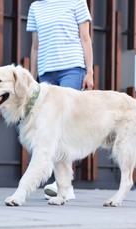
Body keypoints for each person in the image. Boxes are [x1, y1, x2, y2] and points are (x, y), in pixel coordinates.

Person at [27, 0, 94, 199]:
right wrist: (32, 78)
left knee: (63, 126)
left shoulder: (77, 2)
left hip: (71, 68)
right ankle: (64, 185)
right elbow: (35, 46)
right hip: (46, 73)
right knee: (49, 127)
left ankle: (63, 184)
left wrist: (89, 72)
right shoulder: (35, 7)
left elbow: (85, 38)